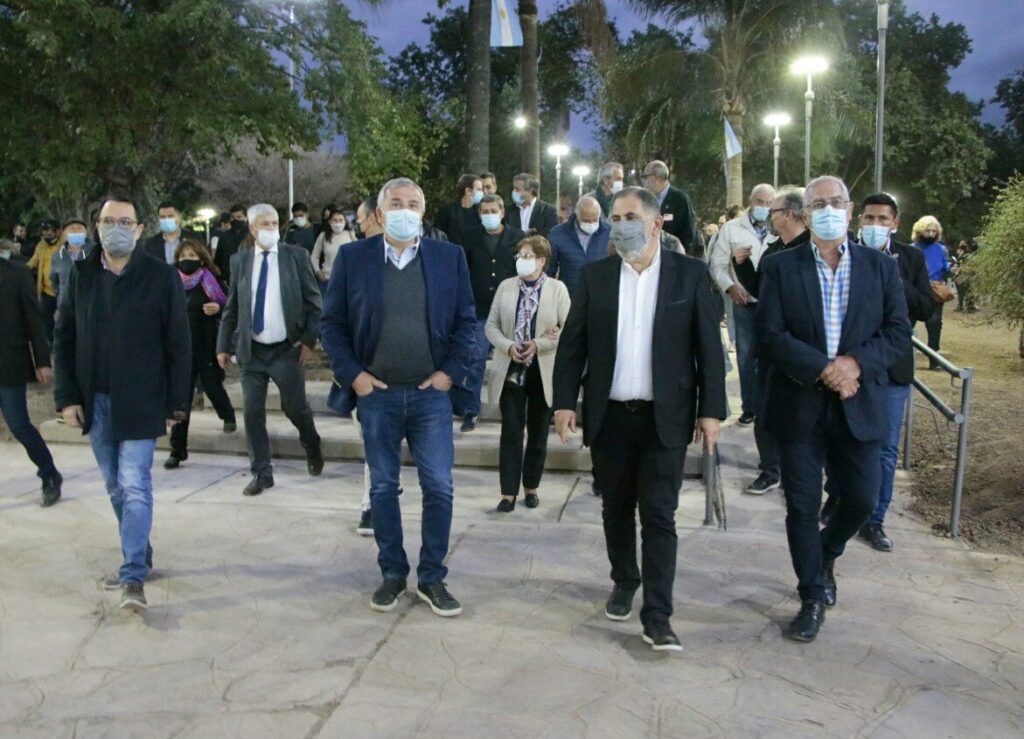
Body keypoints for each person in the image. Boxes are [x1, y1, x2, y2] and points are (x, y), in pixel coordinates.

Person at [552, 186, 727, 651]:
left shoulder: (688, 276)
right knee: (615, 508)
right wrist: (564, 402)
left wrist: (711, 411)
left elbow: (709, 350)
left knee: (659, 515)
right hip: (610, 416)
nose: (622, 223)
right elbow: (573, 347)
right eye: (615, 216)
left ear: (655, 222)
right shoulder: (595, 277)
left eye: (631, 215)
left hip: (663, 418)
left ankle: (658, 614)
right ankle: (624, 579)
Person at [756, 176, 910, 643]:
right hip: (799, 404)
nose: (827, 209)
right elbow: (770, 336)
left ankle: (827, 551)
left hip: (858, 403)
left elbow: (898, 332)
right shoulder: (781, 267)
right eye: (816, 204)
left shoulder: (879, 268)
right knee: (801, 506)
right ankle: (811, 593)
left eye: (835, 202)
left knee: (861, 499)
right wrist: (824, 368)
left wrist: (854, 365)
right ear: (805, 213)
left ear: (849, 209)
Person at [321, 177, 477, 618]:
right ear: (379, 213)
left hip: (431, 397)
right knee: (384, 488)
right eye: (395, 203)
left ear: (422, 212)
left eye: (412, 203)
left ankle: (431, 577)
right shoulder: (354, 258)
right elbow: (331, 324)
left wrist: (450, 373)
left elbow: (468, 321)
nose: (404, 210)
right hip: (378, 396)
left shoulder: (450, 258)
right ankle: (392, 573)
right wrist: (354, 376)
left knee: (440, 487)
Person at [53, 195, 192, 611]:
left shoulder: (160, 277)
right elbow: (65, 338)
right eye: (108, 220)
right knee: (115, 485)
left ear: (139, 229)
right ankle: (140, 550)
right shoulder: (81, 276)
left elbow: (178, 346)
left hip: (142, 399)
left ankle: (133, 574)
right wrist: (67, 397)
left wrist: (176, 406)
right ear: (97, 226)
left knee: (135, 484)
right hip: (94, 401)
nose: (116, 227)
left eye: (125, 221)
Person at [216, 204, 323, 496]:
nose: (271, 228)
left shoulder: (295, 257)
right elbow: (232, 307)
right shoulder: (240, 261)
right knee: (252, 413)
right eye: (264, 223)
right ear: (252, 228)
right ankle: (261, 473)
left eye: (274, 223)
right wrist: (222, 345)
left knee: (295, 407)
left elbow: (315, 303)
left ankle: (311, 442)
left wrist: (309, 339)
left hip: (286, 350)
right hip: (252, 352)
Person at [731, 186, 810, 495]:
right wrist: (741, 266)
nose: (768, 217)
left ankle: (800, 472)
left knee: (799, 415)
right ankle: (769, 469)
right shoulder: (774, 250)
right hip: (771, 347)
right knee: (765, 412)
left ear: (790, 215)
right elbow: (760, 291)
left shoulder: (812, 249)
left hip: (803, 348)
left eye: (774, 211)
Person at [486, 235, 569, 512]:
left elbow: (566, 331)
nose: (521, 261)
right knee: (511, 429)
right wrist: (509, 346)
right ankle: (508, 492)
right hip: (511, 367)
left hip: (542, 370)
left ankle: (531, 487)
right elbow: (491, 326)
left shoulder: (557, 289)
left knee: (537, 433)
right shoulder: (506, 287)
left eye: (527, 256)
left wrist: (539, 343)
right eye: (519, 256)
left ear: (542, 260)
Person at [164, 239, 237, 469]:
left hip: (206, 346)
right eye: (183, 255)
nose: (187, 259)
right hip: (178, 350)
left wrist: (218, 307)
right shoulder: (170, 281)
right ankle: (177, 449)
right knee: (180, 400)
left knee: (212, 386)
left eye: (192, 255)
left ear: (202, 258)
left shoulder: (210, 280)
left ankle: (227, 414)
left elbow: (230, 306)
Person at [455, 194, 525, 431]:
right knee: (475, 362)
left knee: (513, 364)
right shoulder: (470, 236)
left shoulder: (518, 237)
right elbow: (462, 271)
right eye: (484, 211)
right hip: (480, 311)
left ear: (502, 212)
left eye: (493, 210)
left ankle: (512, 413)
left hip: (511, 310)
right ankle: (471, 411)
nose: (489, 215)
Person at [708, 184, 775, 427]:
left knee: (773, 357)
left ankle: (770, 406)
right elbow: (717, 264)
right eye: (759, 201)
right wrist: (730, 287)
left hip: (774, 305)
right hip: (744, 303)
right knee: (747, 357)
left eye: (769, 203)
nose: (764, 207)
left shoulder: (777, 228)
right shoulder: (731, 228)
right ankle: (750, 407)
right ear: (750, 201)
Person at [0, 250, 62, 506]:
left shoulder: (16, 274)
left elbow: (34, 321)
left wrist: (43, 361)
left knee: (19, 424)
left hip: (8, 363)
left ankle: (49, 474)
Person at [546, 195, 611, 299]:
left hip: (602, 296)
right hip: (569, 296)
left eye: (595, 220)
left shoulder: (610, 233)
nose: (591, 223)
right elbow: (549, 270)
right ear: (576, 215)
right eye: (586, 220)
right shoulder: (558, 234)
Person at [911, 215, 951, 368]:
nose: (931, 233)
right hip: (915, 290)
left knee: (934, 325)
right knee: (906, 324)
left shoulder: (941, 249)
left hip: (935, 290)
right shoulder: (912, 248)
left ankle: (934, 360)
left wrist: (951, 268)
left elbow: (944, 266)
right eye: (928, 230)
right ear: (920, 230)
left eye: (934, 231)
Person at [641, 160, 698, 255]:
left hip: (672, 257)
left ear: (656, 177)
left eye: (645, 177)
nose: (644, 181)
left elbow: (688, 233)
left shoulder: (679, 199)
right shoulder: (645, 199)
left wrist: (679, 257)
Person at [26, 218, 62, 345]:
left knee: (67, 318)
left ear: (58, 232)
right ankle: (52, 342)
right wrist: (20, 270)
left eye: (50, 232)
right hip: (47, 291)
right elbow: (33, 262)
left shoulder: (64, 245)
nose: (46, 235)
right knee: (44, 316)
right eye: (44, 232)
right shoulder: (41, 246)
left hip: (63, 290)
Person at [50, 219, 94, 307]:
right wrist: (62, 297)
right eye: (72, 229)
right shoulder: (57, 256)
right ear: (64, 234)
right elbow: (54, 282)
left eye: (79, 228)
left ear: (86, 232)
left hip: (91, 306)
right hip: (66, 306)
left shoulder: (95, 251)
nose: (76, 231)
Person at [433, 174, 484, 247]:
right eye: (479, 189)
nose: (482, 193)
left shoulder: (479, 213)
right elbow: (436, 236)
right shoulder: (447, 211)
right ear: (468, 191)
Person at [310, 207, 354, 287]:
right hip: (327, 281)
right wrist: (317, 271)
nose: (338, 223)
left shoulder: (351, 235)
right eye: (335, 220)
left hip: (347, 281)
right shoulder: (323, 236)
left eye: (341, 220)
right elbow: (314, 256)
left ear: (345, 222)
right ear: (329, 221)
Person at [509, 173, 559, 238]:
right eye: (513, 188)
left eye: (517, 189)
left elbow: (551, 234)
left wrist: (530, 238)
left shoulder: (548, 210)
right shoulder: (509, 211)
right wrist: (523, 234)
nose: (513, 191)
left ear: (530, 191)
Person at [213, 203, 249, 283]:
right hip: (229, 279)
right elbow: (218, 259)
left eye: (239, 217)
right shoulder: (224, 236)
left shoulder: (252, 236)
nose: (235, 219)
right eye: (233, 217)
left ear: (246, 218)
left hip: (248, 280)